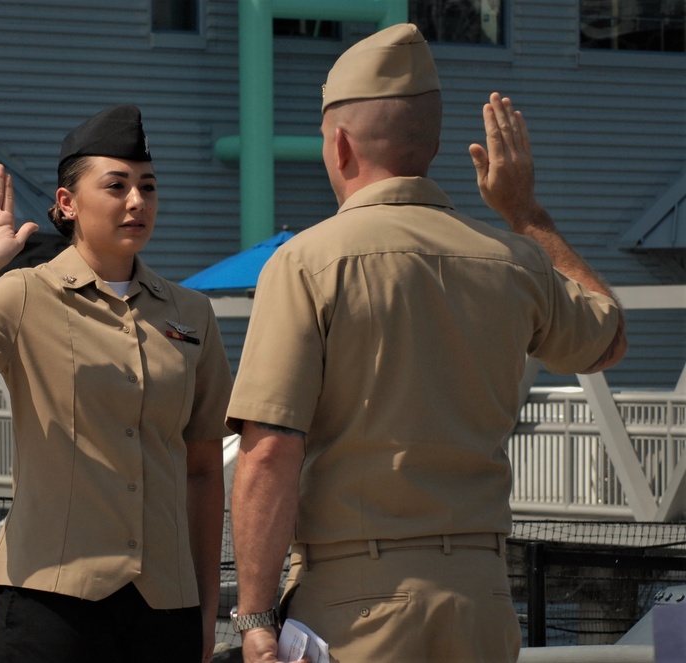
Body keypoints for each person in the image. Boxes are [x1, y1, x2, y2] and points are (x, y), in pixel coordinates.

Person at [226, 23, 627, 663]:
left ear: (340, 146)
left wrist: (254, 615)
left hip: (354, 602)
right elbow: (607, 338)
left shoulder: (308, 263)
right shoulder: (514, 261)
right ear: (435, 145)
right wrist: (526, 215)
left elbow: (270, 450)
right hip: (482, 599)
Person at [0, 104, 232, 663]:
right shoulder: (24, 294)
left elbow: (201, 470)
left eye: (147, 187)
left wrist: (204, 609)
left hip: (164, 608)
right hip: (50, 602)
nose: (136, 201)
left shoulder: (193, 313)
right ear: (67, 203)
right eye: (117, 185)